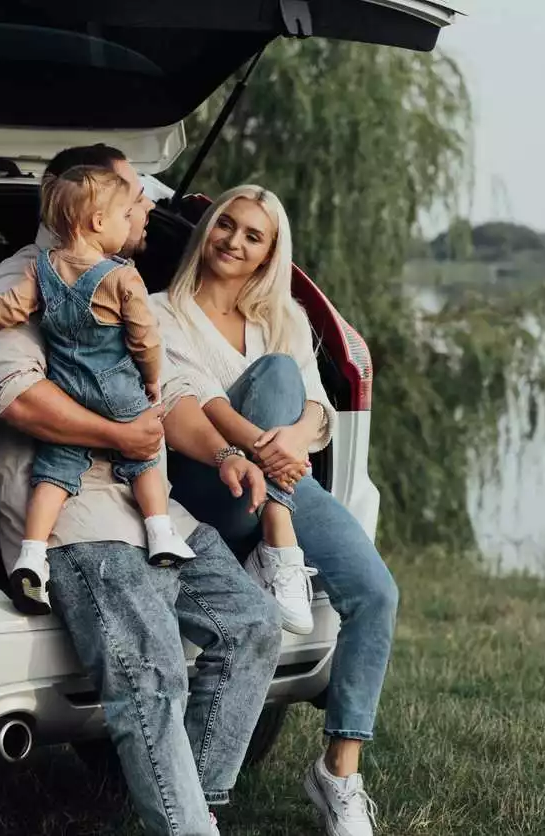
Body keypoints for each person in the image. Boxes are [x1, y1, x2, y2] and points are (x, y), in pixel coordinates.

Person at [0, 145, 282, 836]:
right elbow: (13, 395)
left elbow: (164, 393)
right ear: (89, 206)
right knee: (153, 676)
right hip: (76, 514)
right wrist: (120, 438)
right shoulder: (23, 281)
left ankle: (187, 814)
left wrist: (225, 452)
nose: (147, 207)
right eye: (133, 195)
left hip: (153, 509)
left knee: (253, 626)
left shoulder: (124, 279)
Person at [153, 185, 400, 836]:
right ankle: (278, 543)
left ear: (270, 252)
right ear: (205, 229)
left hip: (278, 475)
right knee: (272, 381)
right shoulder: (160, 312)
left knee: (377, 593)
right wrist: (270, 446)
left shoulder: (281, 316)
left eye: (253, 235)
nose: (234, 241)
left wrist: (289, 442)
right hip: (209, 482)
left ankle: (339, 774)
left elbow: (317, 412)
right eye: (225, 225)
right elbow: (196, 402)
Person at [0, 165, 193, 615]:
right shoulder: (123, 277)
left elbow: (8, 311)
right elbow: (146, 338)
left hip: (68, 387)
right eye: (128, 212)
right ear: (99, 223)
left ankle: (31, 556)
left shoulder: (41, 271)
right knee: (144, 455)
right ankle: (161, 530)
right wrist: (149, 377)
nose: (137, 218)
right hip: (116, 388)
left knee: (53, 474)